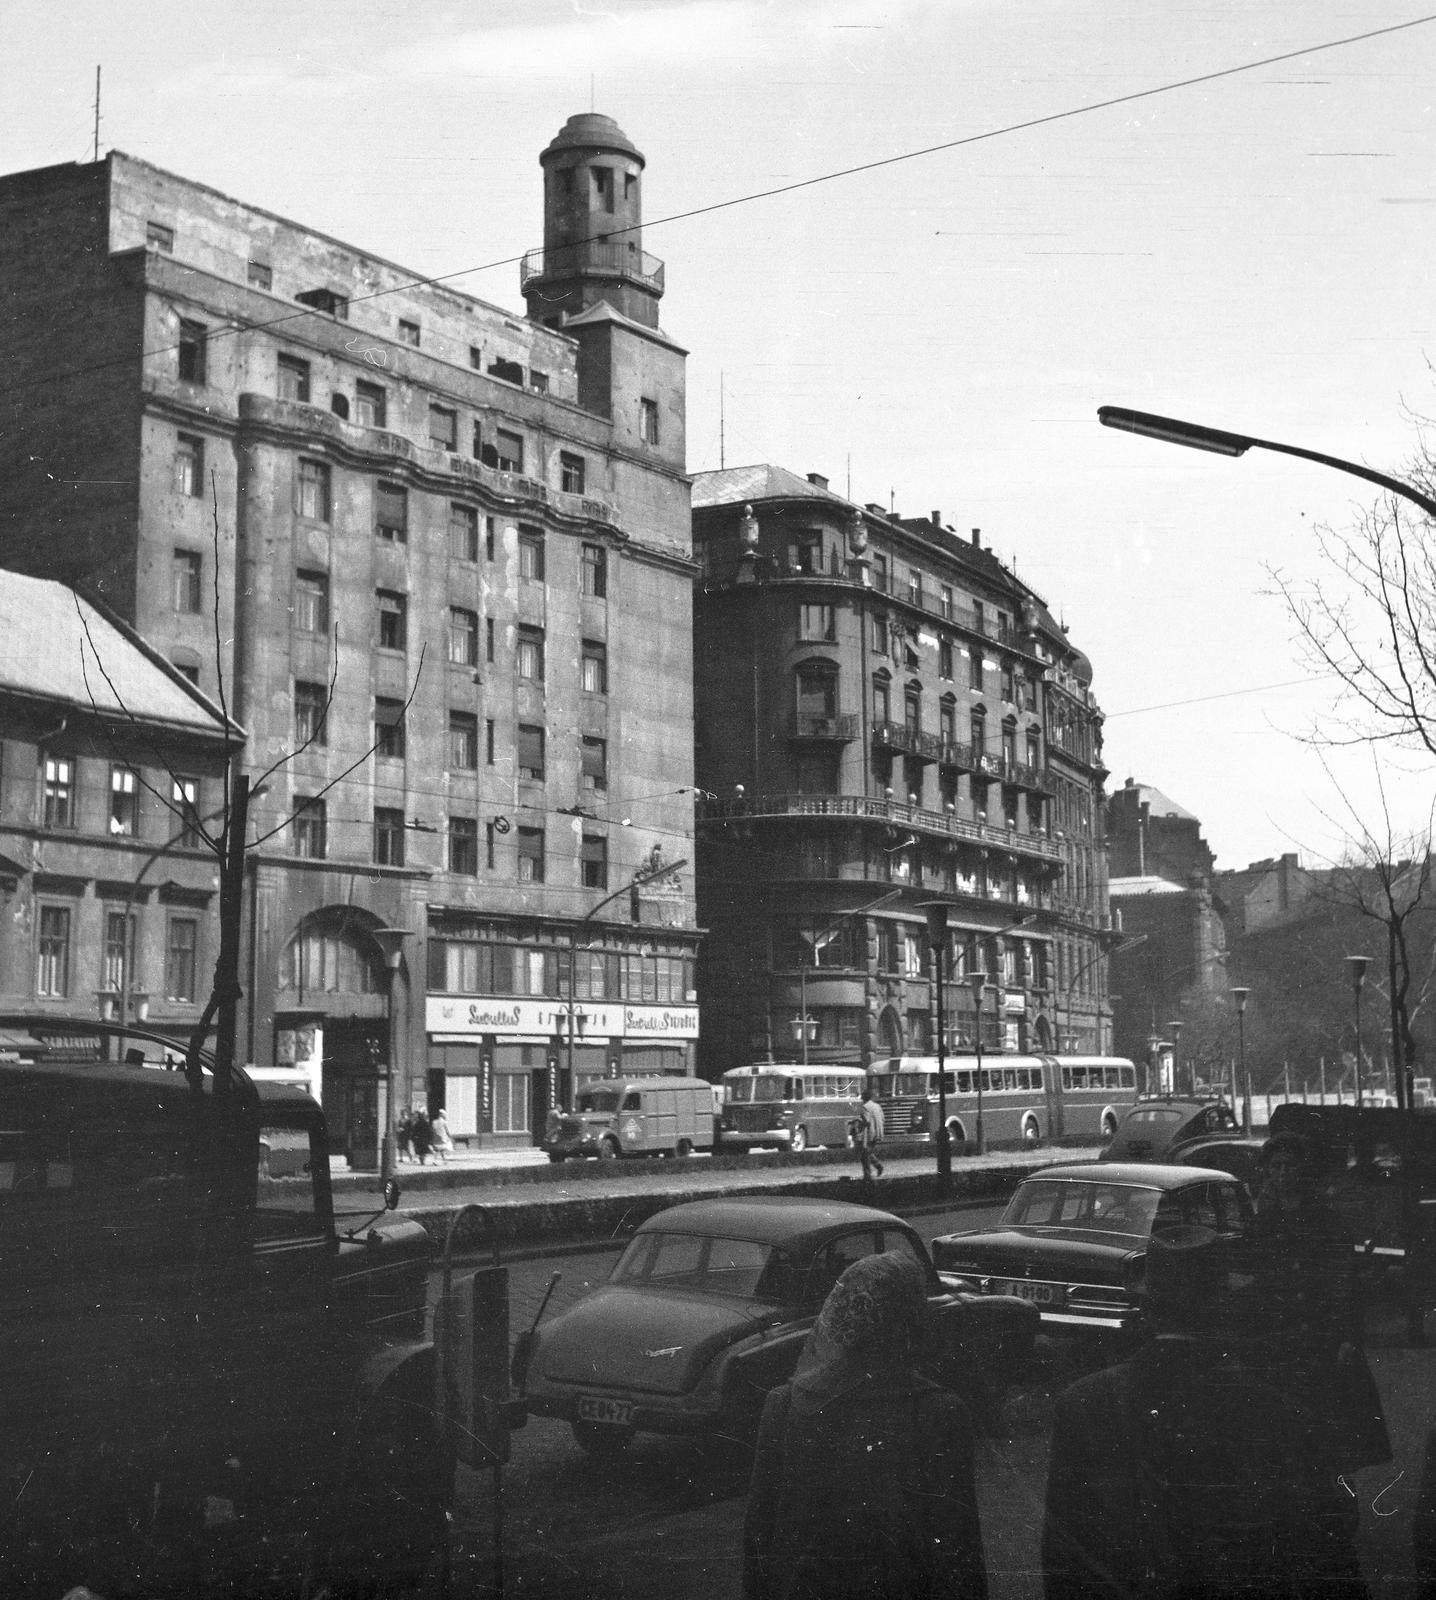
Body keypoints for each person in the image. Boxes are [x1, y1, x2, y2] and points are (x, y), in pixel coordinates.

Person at [1042, 1224, 1369, 1600]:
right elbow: (1328, 1553)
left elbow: (1065, 1558)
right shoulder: (1280, 1409)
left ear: (1147, 1311)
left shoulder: (1082, 1403)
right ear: (1225, 1311)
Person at [743, 1251, 986, 1600]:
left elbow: (759, 1538)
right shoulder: (938, 1410)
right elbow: (958, 1548)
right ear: (910, 1317)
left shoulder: (784, 1403)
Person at [1243, 1130, 1390, 1476]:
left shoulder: (1327, 1220)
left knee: (1329, 1437)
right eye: (1275, 1166)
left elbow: (1345, 1284)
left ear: (1303, 1170)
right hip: (1278, 1343)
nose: (1283, 1173)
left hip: (1321, 1342)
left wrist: (1347, 1338)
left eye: (1290, 1165)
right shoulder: (1261, 1222)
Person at [854, 1086, 884, 1181]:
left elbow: (866, 1121)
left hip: (869, 1134)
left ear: (864, 1098)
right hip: (878, 1132)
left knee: (864, 1154)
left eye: (862, 1097)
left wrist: (857, 1121)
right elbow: (883, 1118)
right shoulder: (877, 1106)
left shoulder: (865, 1107)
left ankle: (867, 1175)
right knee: (868, 1152)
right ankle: (878, 1166)